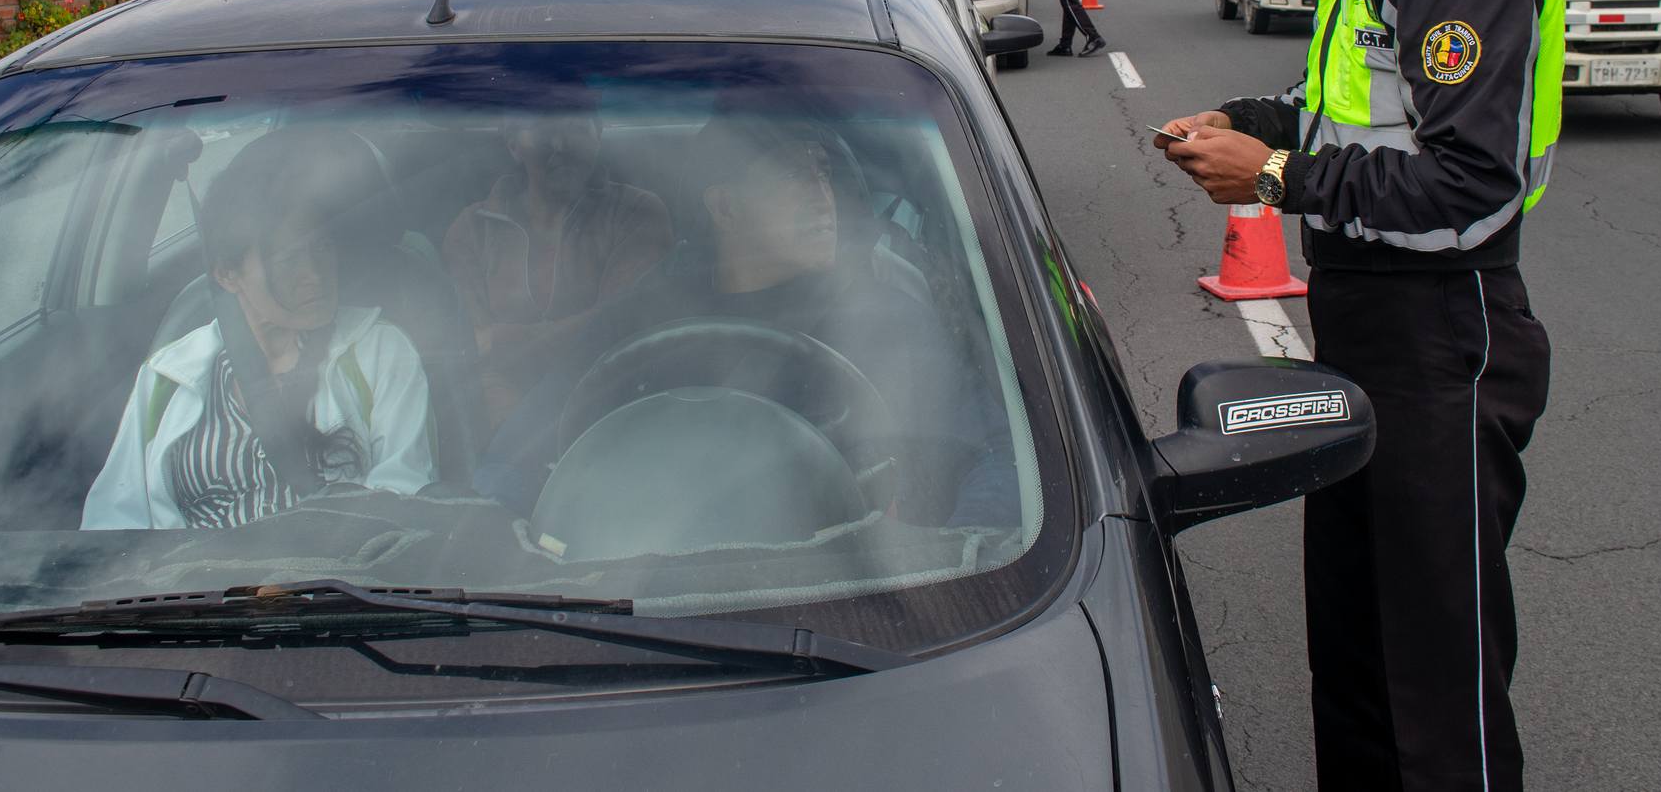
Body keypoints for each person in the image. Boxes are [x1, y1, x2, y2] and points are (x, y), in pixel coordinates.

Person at [1161, 0, 1561, 791]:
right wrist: (1251, 121)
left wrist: (1276, 179)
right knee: (1355, 652)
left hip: (1440, 328)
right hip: (1367, 322)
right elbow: (1356, 111)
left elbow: (1468, 188)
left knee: (1437, 682)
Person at [474, 112, 1016, 530]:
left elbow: (994, 462)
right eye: (790, 175)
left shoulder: (888, 318)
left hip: (849, 602)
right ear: (725, 207)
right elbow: (516, 459)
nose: (822, 195)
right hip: (637, 576)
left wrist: (956, 584)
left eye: (821, 172)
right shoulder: (642, 317)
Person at [83, 130, 435, 530]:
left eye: (320, 248)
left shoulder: (379, 352)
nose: (314, 275)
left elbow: (405, 502)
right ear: (228, 275)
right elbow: (114, 525)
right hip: (188, 588)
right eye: (288, 261)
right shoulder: (166, 379)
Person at [442, 100, 673, 426]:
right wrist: (516, 436)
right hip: (507, 424)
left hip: (616, 411)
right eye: (542, 130)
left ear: (599, 134)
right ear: (513, 145)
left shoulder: (636, 212)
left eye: (575, 128)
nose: (560, 145)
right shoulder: (471, 229)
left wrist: (501, 339)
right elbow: (475, 355)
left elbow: (618, 326)